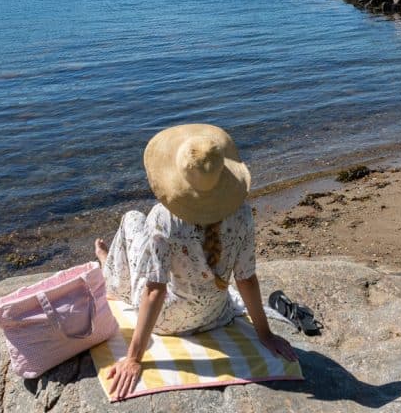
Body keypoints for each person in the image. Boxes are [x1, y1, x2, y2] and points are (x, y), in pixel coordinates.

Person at [94, 123, 297, 400]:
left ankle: (111, 269)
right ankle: (111, 264)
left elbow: (155, 291)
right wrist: (265, 334)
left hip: (167, 321)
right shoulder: (242, 214)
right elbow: (246, 279)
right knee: (147, 243)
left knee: (131, 218)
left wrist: (133, 359)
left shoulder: (164, 218)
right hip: (215, 315)